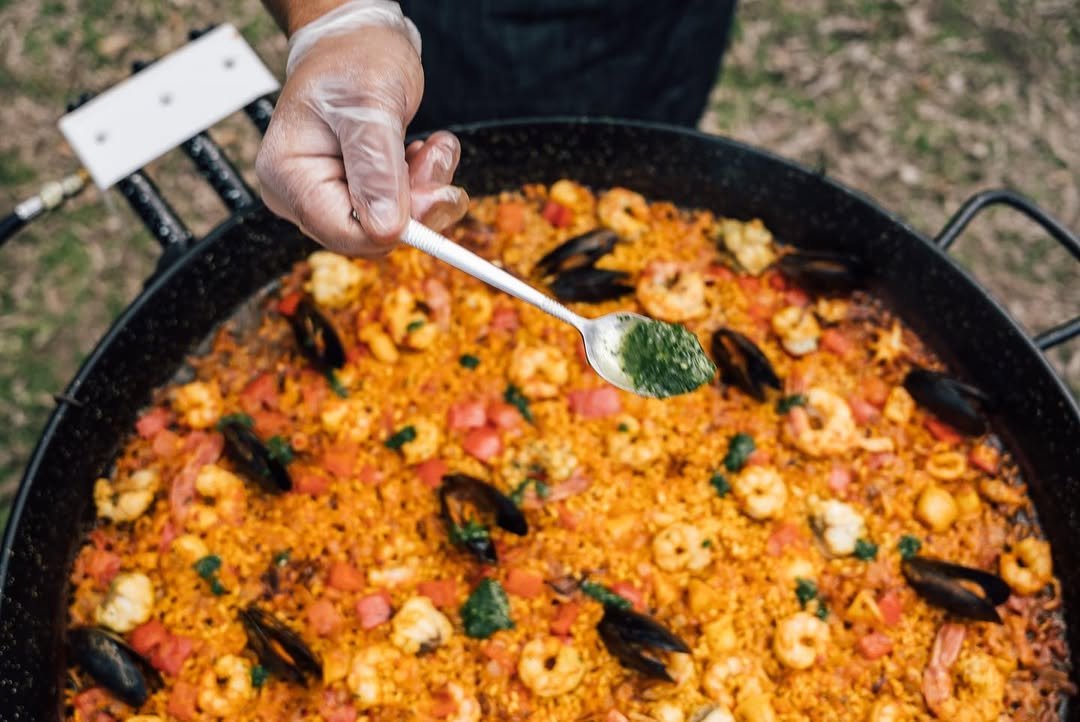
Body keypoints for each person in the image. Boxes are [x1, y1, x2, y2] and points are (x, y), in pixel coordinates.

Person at [256, 0, 736, 258]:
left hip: (656, 30)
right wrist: (334, 20)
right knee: (418, 189)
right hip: (454, 31)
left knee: (650, 166)